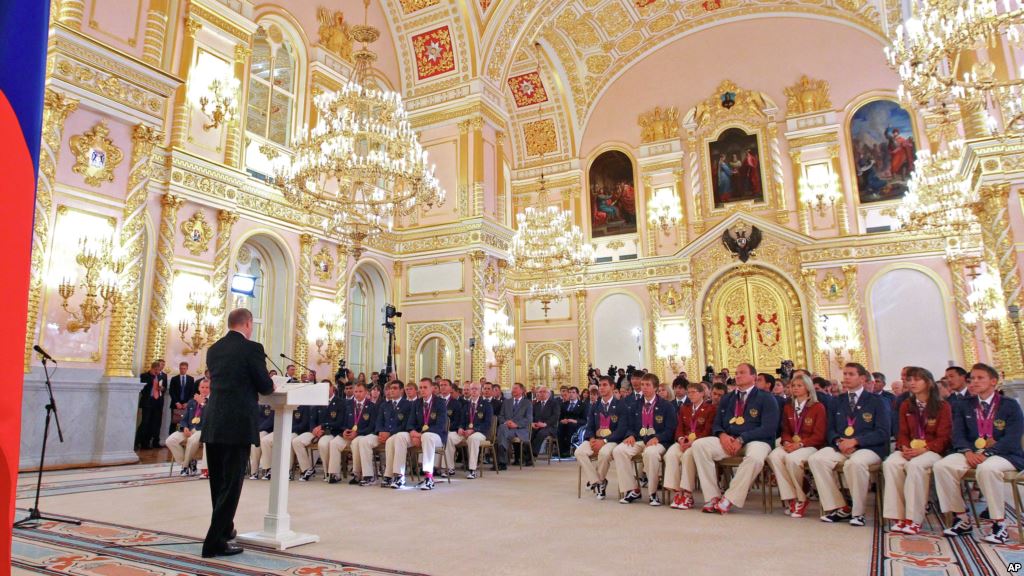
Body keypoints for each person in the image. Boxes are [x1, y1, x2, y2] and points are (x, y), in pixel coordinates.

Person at [200, 308, 275, 558]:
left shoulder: (214, 349)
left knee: (218, 482)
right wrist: (271, 383)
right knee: (232, 484)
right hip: (237, 422)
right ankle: (213, 542)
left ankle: (225, 530)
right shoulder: (251, 348)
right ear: (248, 324)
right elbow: (264, 385)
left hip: (214, 420)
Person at [936, 363, 1024, 544]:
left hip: (1005, 454)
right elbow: (957, 434)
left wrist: (988, 453)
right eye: (972, 378)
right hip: (971, 452)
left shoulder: (1009, 405)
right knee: (942, 466)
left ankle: (999, 524)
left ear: (993, 381)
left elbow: (1013, 437)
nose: (974, 382)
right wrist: (967, 451)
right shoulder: (964, 404)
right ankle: (962, 518)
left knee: (987, 469)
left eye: (980, 378)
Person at [808, 362, 891, 527]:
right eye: (844, 374)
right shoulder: (837, 401)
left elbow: (883, 432)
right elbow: (829, 429)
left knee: (855, 464)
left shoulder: (877, 401)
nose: (846, 377)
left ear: (862, 378)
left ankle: (858, 512)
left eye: (851, 374)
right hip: (841, 445)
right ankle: (840, 506)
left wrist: (856, 441)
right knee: (817, 459)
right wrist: (838, 441)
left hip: (869, 447)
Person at [691, 363, 780, 514]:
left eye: (742, 373)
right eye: (736, 373)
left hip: (756, 440)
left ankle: (729, 498)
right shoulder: (727, 398)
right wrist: (722, 435)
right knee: (700, 445)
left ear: (754, 377)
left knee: (755, 458)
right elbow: (717, 423)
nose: (737, 376)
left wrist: (742, 439)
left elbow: (769, 428)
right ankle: (712, 496)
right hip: (729, 439)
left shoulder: (766, 398)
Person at [882, 367, 952, 535]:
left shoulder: (942, 406)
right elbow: (902, 432)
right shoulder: (907, 404)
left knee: (915, 467)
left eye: (917, 379)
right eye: (909, 380)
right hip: (910, 449)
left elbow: (944, 436)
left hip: (932, 450)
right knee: (891, 463)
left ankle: (913, 518)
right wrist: (904, 446)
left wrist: (925, 449)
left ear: (928, 382)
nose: (911, 383)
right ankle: (897, 515)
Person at [767, 373, 827, 518]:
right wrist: (787, 441)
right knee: (773, 456)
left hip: (809, 445)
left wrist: (800, 444)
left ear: (808, 388)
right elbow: (785, 429)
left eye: (799, 386)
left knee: (792, 460)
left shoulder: (818, 407)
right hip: (791, 443)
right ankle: (791, 497)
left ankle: (801, 498)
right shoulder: (789, 407)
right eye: (793, 386)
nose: (795, 388)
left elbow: (819, 435)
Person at [613, 373, 677, 506]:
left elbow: (670, 429)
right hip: (639, 439)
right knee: (619, 451)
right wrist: (630, 434)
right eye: (642, 385)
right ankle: (632, 489)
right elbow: (629, 425)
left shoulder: (666, 406)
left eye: (648, 385)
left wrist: (657, 438)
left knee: (651, 453)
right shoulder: (635, 405)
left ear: (655, 388)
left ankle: (652, 493)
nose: (644, 388)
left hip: (658, 441)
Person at [664, 380, 716, 509]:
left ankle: (687, 493)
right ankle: (677, 491)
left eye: (694, 392)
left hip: (698, 442)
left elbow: (708, 429)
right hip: (685, 440)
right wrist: (681, 438)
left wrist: (694, 441)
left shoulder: (710, 408)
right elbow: (679, 427)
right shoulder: (684, 408)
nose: (691, 395)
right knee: (670, 454)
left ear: (702, 393)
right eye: (689, 392)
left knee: (688, 456)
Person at [575, 376, 628, 500]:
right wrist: (592, 438)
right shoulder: (595, 405)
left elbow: (621, 430)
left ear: (612, 387)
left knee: (604, 453)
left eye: (605, 385)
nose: (601, 388)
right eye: (600, 385)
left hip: (612, 440)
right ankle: (598, 481)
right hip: (595, 438)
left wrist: (604, 441)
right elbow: (589, 426)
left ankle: (598, 481)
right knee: (579, 452)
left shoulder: (621, 405)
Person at [402, 377, 448, 490]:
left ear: (432, 388)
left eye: (425, 387)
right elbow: (410, 423)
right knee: (400, 437)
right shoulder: (417, 403)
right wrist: (413, 433)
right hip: (419, 435)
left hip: (436, 436)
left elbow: (440, 425)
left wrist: (420, 435)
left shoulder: (440, 403)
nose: (422, 390)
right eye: (421, 387)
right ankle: (398, 476)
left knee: (427, 437)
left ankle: (428, 477)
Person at [325, 382, 374, 483]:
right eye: (356, 391)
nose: (357, 394)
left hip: (362, 434)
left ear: (366, 392)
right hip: (347, 434)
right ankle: (334, 474)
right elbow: (342, 422)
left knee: (356, 443)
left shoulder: (372, 406)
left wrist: (358, 433)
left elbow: (372, 426)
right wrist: (344, 431)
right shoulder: (347, 405)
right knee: (334, 443)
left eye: (360, 391)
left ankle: (357, 474)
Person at [292, 383, 341, 482]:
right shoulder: (318, 402)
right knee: (296, 441)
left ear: (332, 388)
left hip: (329, 431)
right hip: (315, 432)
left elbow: (338, 422)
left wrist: (323, 428)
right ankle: (307, 469)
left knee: (323, 444)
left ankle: (328, 472)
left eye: (327, 387)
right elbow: (312, 419)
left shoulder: (340, 402)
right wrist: (314, 430)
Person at [370, 380, 412, 488]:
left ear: (402, 390)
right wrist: (380, 432)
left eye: (395, 388)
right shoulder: (385, 405)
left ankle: (399, 475)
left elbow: (406, 424)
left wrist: (390, 433)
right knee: (389, 441)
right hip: (385, 435)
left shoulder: (408, 405)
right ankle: (388, 475)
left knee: (394, 439)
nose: (391, 390)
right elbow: (379, 421)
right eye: (390, 388)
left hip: (400, 434)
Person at [166, 378, 211, 475]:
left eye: (207, 387)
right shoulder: (192, 402)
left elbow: (211, 417)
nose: (204, 389)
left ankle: (185, 467)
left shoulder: (212, 402)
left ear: (211, 389)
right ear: (199, 388)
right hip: (188, 429)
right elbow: (184, 418)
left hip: (202, 430)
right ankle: (190, 462)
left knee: (192, 440)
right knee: (170, 440)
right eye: (202, 387)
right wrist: (184, 427)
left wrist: (202, 404)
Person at [453, 382, 493, 479]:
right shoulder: (466, 405)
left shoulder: (486, 405)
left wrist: (474, 430)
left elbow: (487, 424)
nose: (474, 391)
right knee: (450, 437)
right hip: (466, 432)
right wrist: (461, 428)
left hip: (480, 432)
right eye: (472, 389)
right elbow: (462, 420)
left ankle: (472, 469)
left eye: (476, 389)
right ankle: (449, 468)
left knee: (473, 439)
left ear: (480, 391)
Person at [496, 383, 533, 470]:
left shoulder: (527, 403)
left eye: (516, 388)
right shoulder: (506, 402)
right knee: (502, 428)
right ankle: (502, 461)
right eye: (512, 389)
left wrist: (516, 424)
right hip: (507, 428)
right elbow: (500, 416)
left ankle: (502, 462)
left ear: (522, 390)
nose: (513, 390)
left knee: (501, 434)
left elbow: (529, 419)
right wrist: (506, 422)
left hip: (520, 429)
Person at [135, 361, 167, 450]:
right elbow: (144, 389)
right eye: (156, 370)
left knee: (153, 423)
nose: (157, 371)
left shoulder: (161, 376)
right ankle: (137, 442)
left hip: (157, 402)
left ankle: (147, 443)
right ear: (152, 368)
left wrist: (162, 388)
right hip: (147, 402)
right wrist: (153, 378)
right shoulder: (144, 376)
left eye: (158, 370)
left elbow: (164, 389)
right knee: (145, 423)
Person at [436, 379, 464, 478]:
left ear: (450, 388)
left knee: (448, 437)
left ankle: (448, 467)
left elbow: (458, 420)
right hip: (437, 430)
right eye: (441, 385)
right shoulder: (435, 402)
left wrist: (445, 429)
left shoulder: (456, 403)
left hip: (452, 430)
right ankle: (434, 467)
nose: (442, 387)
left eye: (445, 385)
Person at [530, 386, 561, 465]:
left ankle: (533, 454)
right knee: (529, 433)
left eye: (544, 392)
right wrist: (533, 423)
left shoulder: (554, 403)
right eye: (540, 392)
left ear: (549, 394)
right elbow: (531, 416)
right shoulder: (536, 404)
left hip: (550, 427)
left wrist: (545, 424)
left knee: (541, 433)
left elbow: (555, 416)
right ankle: (527, 453)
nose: (542, 394)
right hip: (537, 426)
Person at [169, 362, 196, 434]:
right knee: (174, 422)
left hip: (186, 405)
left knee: (185, 423)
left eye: (184, 368)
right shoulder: (174, 379)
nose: (182, 370)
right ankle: (170, 439)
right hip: (176, 404)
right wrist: (177, 402)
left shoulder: (191, 379)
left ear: (187, 369)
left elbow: (192, 392)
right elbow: (171, 391)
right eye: (181, 368)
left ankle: (183, 439)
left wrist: (187, 403)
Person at [558, 387, 586, 458]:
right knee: (560, 426)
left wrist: (574, 421)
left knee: (570, 425)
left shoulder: (583, 405)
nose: (571, 394)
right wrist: (562, 420)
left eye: (573, 392)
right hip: (564, 424)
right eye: (569, 392)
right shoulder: (564, 404)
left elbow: (584, 420)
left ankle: (567, 450)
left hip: (576, 425)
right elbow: (560, 417)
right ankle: (560, 450)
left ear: (577, 394)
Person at [248, 403, 274, 480]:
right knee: (255, 442)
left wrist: (258, 429)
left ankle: (268, 469)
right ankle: (254, 471)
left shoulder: (273, 404)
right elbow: (257, 419)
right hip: (262, 430)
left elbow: (271, 421)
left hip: (271, 430)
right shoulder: (260, 405)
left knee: (263, 440)